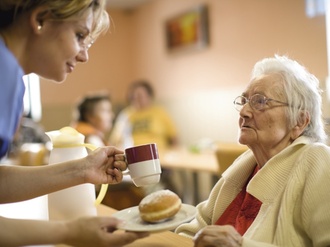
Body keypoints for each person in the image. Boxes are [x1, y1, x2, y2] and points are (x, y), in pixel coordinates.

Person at [0, 1, 148, 246]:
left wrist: (82, 170)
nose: (84, 55)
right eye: (79, 36)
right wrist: (69, 232)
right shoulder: (5, 75)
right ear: (41, 19)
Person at [175, 55, 330, 246]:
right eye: (245, 100)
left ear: (299, 121)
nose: (243, 112)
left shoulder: (317, 160)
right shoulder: (246, 163)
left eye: (260, 102)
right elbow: (196, 228)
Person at [110, 80, 179, 194]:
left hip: (159, 157)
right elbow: (115, 141)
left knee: (163, 184)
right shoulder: (126, 115)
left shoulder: (159, 113)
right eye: (134, 97)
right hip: (135, 160)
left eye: (141, 96)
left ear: (149, 96)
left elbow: (174, 138)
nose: (138, 99)